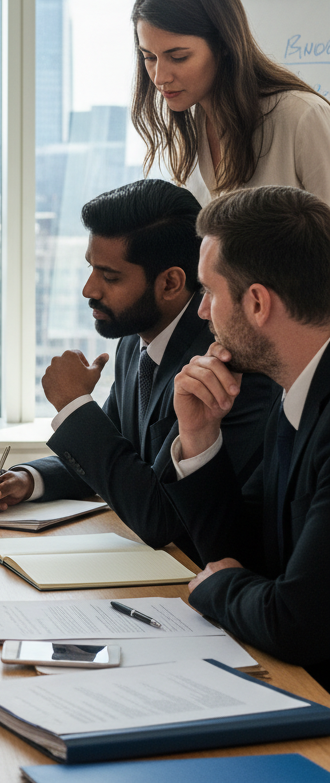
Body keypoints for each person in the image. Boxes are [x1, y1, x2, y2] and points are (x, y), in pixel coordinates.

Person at [0, 179, 274, 559]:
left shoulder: (225, 365)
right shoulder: (136, 340)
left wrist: (74, 405)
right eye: (91, 268)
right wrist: (28, 479)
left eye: (109, 276)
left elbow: (159, 518)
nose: (88, 289)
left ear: (171, 283)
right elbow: (119, 453)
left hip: (201, 580)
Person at [160, 185, 330, 687]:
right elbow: (242, 554)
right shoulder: (296, 393)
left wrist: (215, 589)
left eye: (210, 292)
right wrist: (197, 434)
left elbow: (298, 622)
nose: (201, 312)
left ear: (257, 303)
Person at [130, 0, 330, 207]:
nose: (160, 77)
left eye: (179, 57)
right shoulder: (191, 128)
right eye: (149, 57)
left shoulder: (303, 118)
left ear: (224, 44)